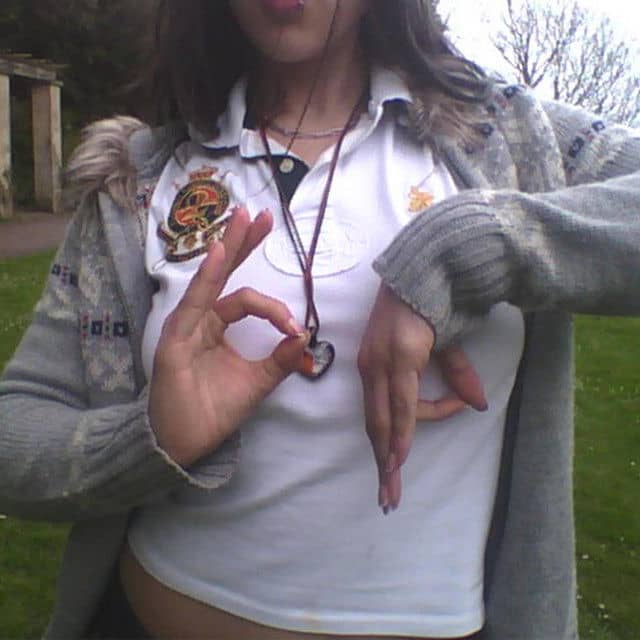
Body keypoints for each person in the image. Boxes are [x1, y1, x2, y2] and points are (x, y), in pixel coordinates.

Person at [1, 0, 639, 638]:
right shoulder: (138, 176)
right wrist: (151, 438)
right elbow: (15, 431)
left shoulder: (503, 133)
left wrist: (468, 247)